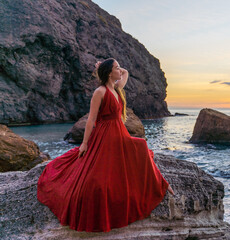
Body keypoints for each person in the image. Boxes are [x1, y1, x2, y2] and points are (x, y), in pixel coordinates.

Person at [37, 57, 175, 232]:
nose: (120, 70)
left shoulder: (116, 88)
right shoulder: (100, 92)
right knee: (119, 162)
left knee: (140, 148)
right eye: (116, 68)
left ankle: (161, 183)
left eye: (118, 67)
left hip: (119, 134)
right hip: (105, 135)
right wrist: (84, 144)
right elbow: (91, 120)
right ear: (110, 73)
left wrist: (106, 67)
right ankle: (162, 183)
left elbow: (126, 72)